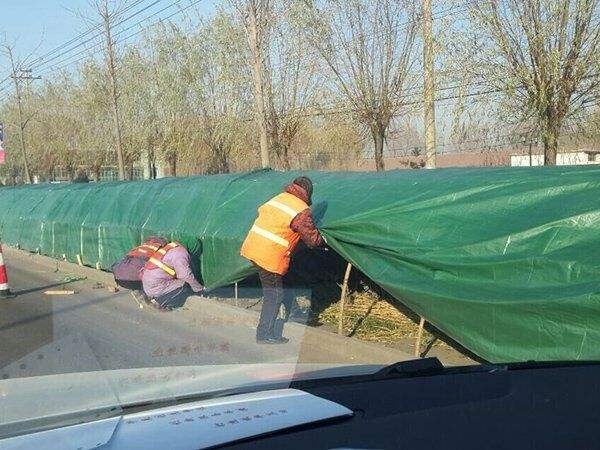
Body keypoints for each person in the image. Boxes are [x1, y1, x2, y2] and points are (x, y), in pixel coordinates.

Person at [241, 176, 324, 344]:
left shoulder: (280, 197)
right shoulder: (300, 209)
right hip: (269, 255)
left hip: (253, 247)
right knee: (274, 294)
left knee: (280, 285)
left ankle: (294, 312)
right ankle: (265, 334)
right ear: (308, 192)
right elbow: (312, 240)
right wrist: (323, 239)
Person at [141, 241, 204, 310]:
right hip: (155, 286)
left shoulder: (171, 246)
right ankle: (161, 302)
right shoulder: (181, 253)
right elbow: (185, 276)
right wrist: (198, 289)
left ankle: (151, 296)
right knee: (185, 285)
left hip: (147, 283)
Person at [112, 236, 168, 306]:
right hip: (135, 279)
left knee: (139, 269)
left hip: (118, 277)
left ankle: (138, 291)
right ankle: (152, 297)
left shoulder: (140, 247)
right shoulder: (159, 250)